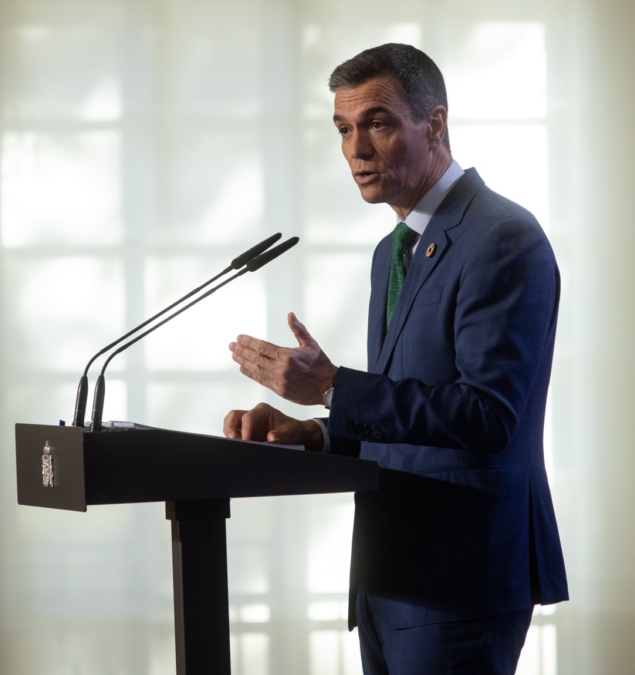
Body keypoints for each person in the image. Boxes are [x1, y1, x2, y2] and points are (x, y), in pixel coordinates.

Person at [223, 43, 567, 673]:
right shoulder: (394, 250)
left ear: (433, 124)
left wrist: (333, 387)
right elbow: (408, 414)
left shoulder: (501, 238)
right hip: (388, 579)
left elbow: (486, 415)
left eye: (377, 123)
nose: (355, 149)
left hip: (460, 579)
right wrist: (318, 435)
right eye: (343, 129)